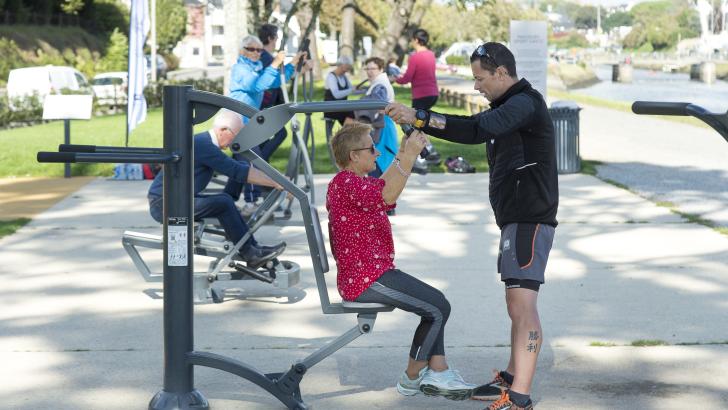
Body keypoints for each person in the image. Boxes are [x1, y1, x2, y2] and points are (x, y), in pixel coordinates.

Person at [385, 42, 559, 410]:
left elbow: (476, 130)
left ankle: (521, 397)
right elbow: (476, 128)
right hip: (516, 216)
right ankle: (511, 378)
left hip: (530, 216)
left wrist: (419, 117)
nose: (476, 86)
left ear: (501, 72)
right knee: (515, 302)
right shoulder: (510, 105)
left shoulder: (525, 103)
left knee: (523, 305)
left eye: (480, 78)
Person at [326, 122, 476, 400]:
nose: (375, 152)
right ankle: (411, 379)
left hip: (373, 273)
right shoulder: (345, 183)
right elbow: (388, 194)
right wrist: (409, 156)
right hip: (365, 279)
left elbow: (384, 186)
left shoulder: (353, 182)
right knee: (438, 307)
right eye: (371, 148)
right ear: (353, 156)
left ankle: (439, 371)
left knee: (436, 303)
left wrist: (404, 152)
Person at [147, 109, 287, 271]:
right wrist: (278, 182)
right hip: (163, 204)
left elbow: (238, 168)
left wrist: (273, 178)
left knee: (224, 200)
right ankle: (250, 253)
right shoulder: (204, 145)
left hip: (172, 200)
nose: (236, 142)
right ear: (223, 130)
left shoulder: (204, 142)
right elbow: (237, 171)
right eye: (236, 135)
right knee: (224, 202)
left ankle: (254, 249)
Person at [227, 35, 308, 216]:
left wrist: (292, 64)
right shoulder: (240, 69)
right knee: (254, 162)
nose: (256, 53)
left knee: (243, 162)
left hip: (249, 123)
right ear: (242, 51)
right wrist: (273, 64)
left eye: (259, 50)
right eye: (251, 49)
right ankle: (251, 202)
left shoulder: (255, 68)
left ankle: (228, 198)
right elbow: (257, 85)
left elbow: (274, 80)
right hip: (239, 123)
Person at [394, 28, 441, 172]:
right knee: (423, 125)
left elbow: (407, 77)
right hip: (433, 94)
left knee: (415, 127)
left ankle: (421, 160)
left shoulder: (414, 57)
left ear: (415, 40)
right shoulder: (431, 55)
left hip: (421, 95)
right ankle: (431, 152)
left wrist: (395, 79)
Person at [358, 57, 398, 179]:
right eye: (367, 68)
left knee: (378, 164)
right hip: (382, 125)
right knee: (379, 164)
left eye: (373, 68)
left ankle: (378, 196)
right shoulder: (379, 82)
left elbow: (375, 106)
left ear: (381, 69)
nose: (369, 71)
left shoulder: (380, 85)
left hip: (382, 128)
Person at [323, 55, 356, 125]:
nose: (349, 68)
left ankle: (348, 132)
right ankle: (347, 133)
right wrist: (351, 90)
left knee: (356, 111)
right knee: (352, 113)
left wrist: (365, 90)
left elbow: (353, 90)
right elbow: (336, 95)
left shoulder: (344, 77)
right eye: (348, 66)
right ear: (342, 65)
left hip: (342, 107)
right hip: (331, 109)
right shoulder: (331, 77)